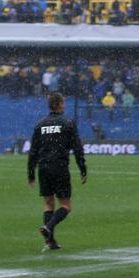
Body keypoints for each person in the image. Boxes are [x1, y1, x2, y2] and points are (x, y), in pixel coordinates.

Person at [28, 92, 87, 251]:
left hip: (44, 168)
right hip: (59, 167)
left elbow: (33, 151)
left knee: (48, 204)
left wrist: (31, 173)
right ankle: (48, 227)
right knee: (66, 205)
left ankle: (50, 241)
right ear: (60, 104)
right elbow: (77, 148)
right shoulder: (67, 123)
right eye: (64, 102)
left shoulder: (40, 124)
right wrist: (83, 169)